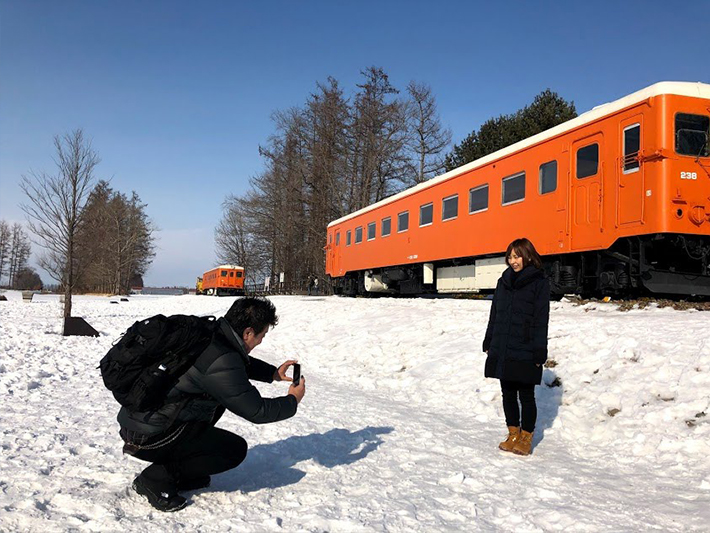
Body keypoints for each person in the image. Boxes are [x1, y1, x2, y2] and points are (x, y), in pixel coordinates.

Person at [118, 297, 306, 511]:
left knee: (213, 408)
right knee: (232, 450)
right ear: (248, 333)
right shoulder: (222, 357)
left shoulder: (211, 333)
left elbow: (234, 362)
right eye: (261, 335)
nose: (261, 341)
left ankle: (177, 471)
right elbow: (257, 411)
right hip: (152, 436)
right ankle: (155, 478)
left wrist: (271, 373)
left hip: (141, 424)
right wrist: (293, 400)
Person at [482, 238, 550, 456]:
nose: (513, 261)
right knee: (507, 393)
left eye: (517, 256)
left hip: (526, 346)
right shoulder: (504, 281)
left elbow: (541, 319)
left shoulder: (539, 282)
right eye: (510, 257)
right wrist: (489, 339)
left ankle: (526, 437)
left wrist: (540, 350)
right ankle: (512, 433)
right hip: (503, 344)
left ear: (528, 255)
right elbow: (495, 314)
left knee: (526, 395)